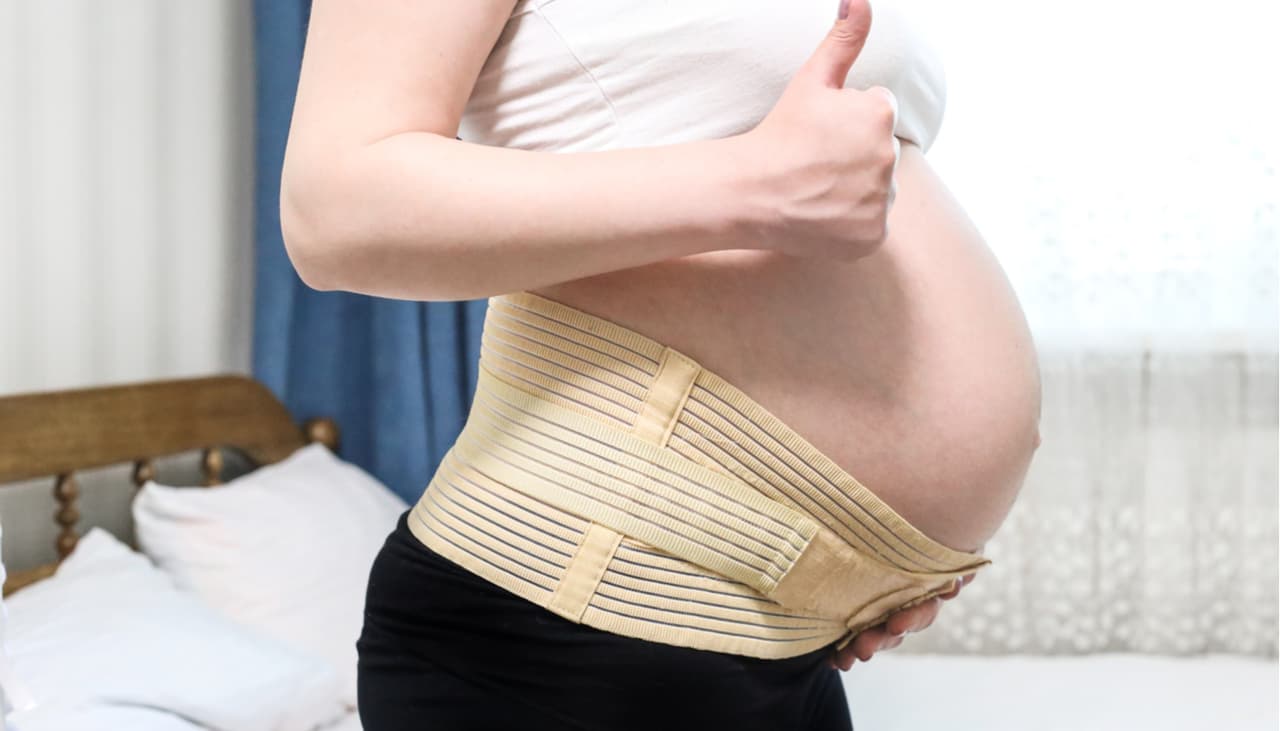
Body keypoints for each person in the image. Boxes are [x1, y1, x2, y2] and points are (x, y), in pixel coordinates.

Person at [281, 0, 1042, 728]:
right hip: (571, 625)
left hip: (764, 636)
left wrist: (854, 565)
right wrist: (755, 185)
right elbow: (332, 211)